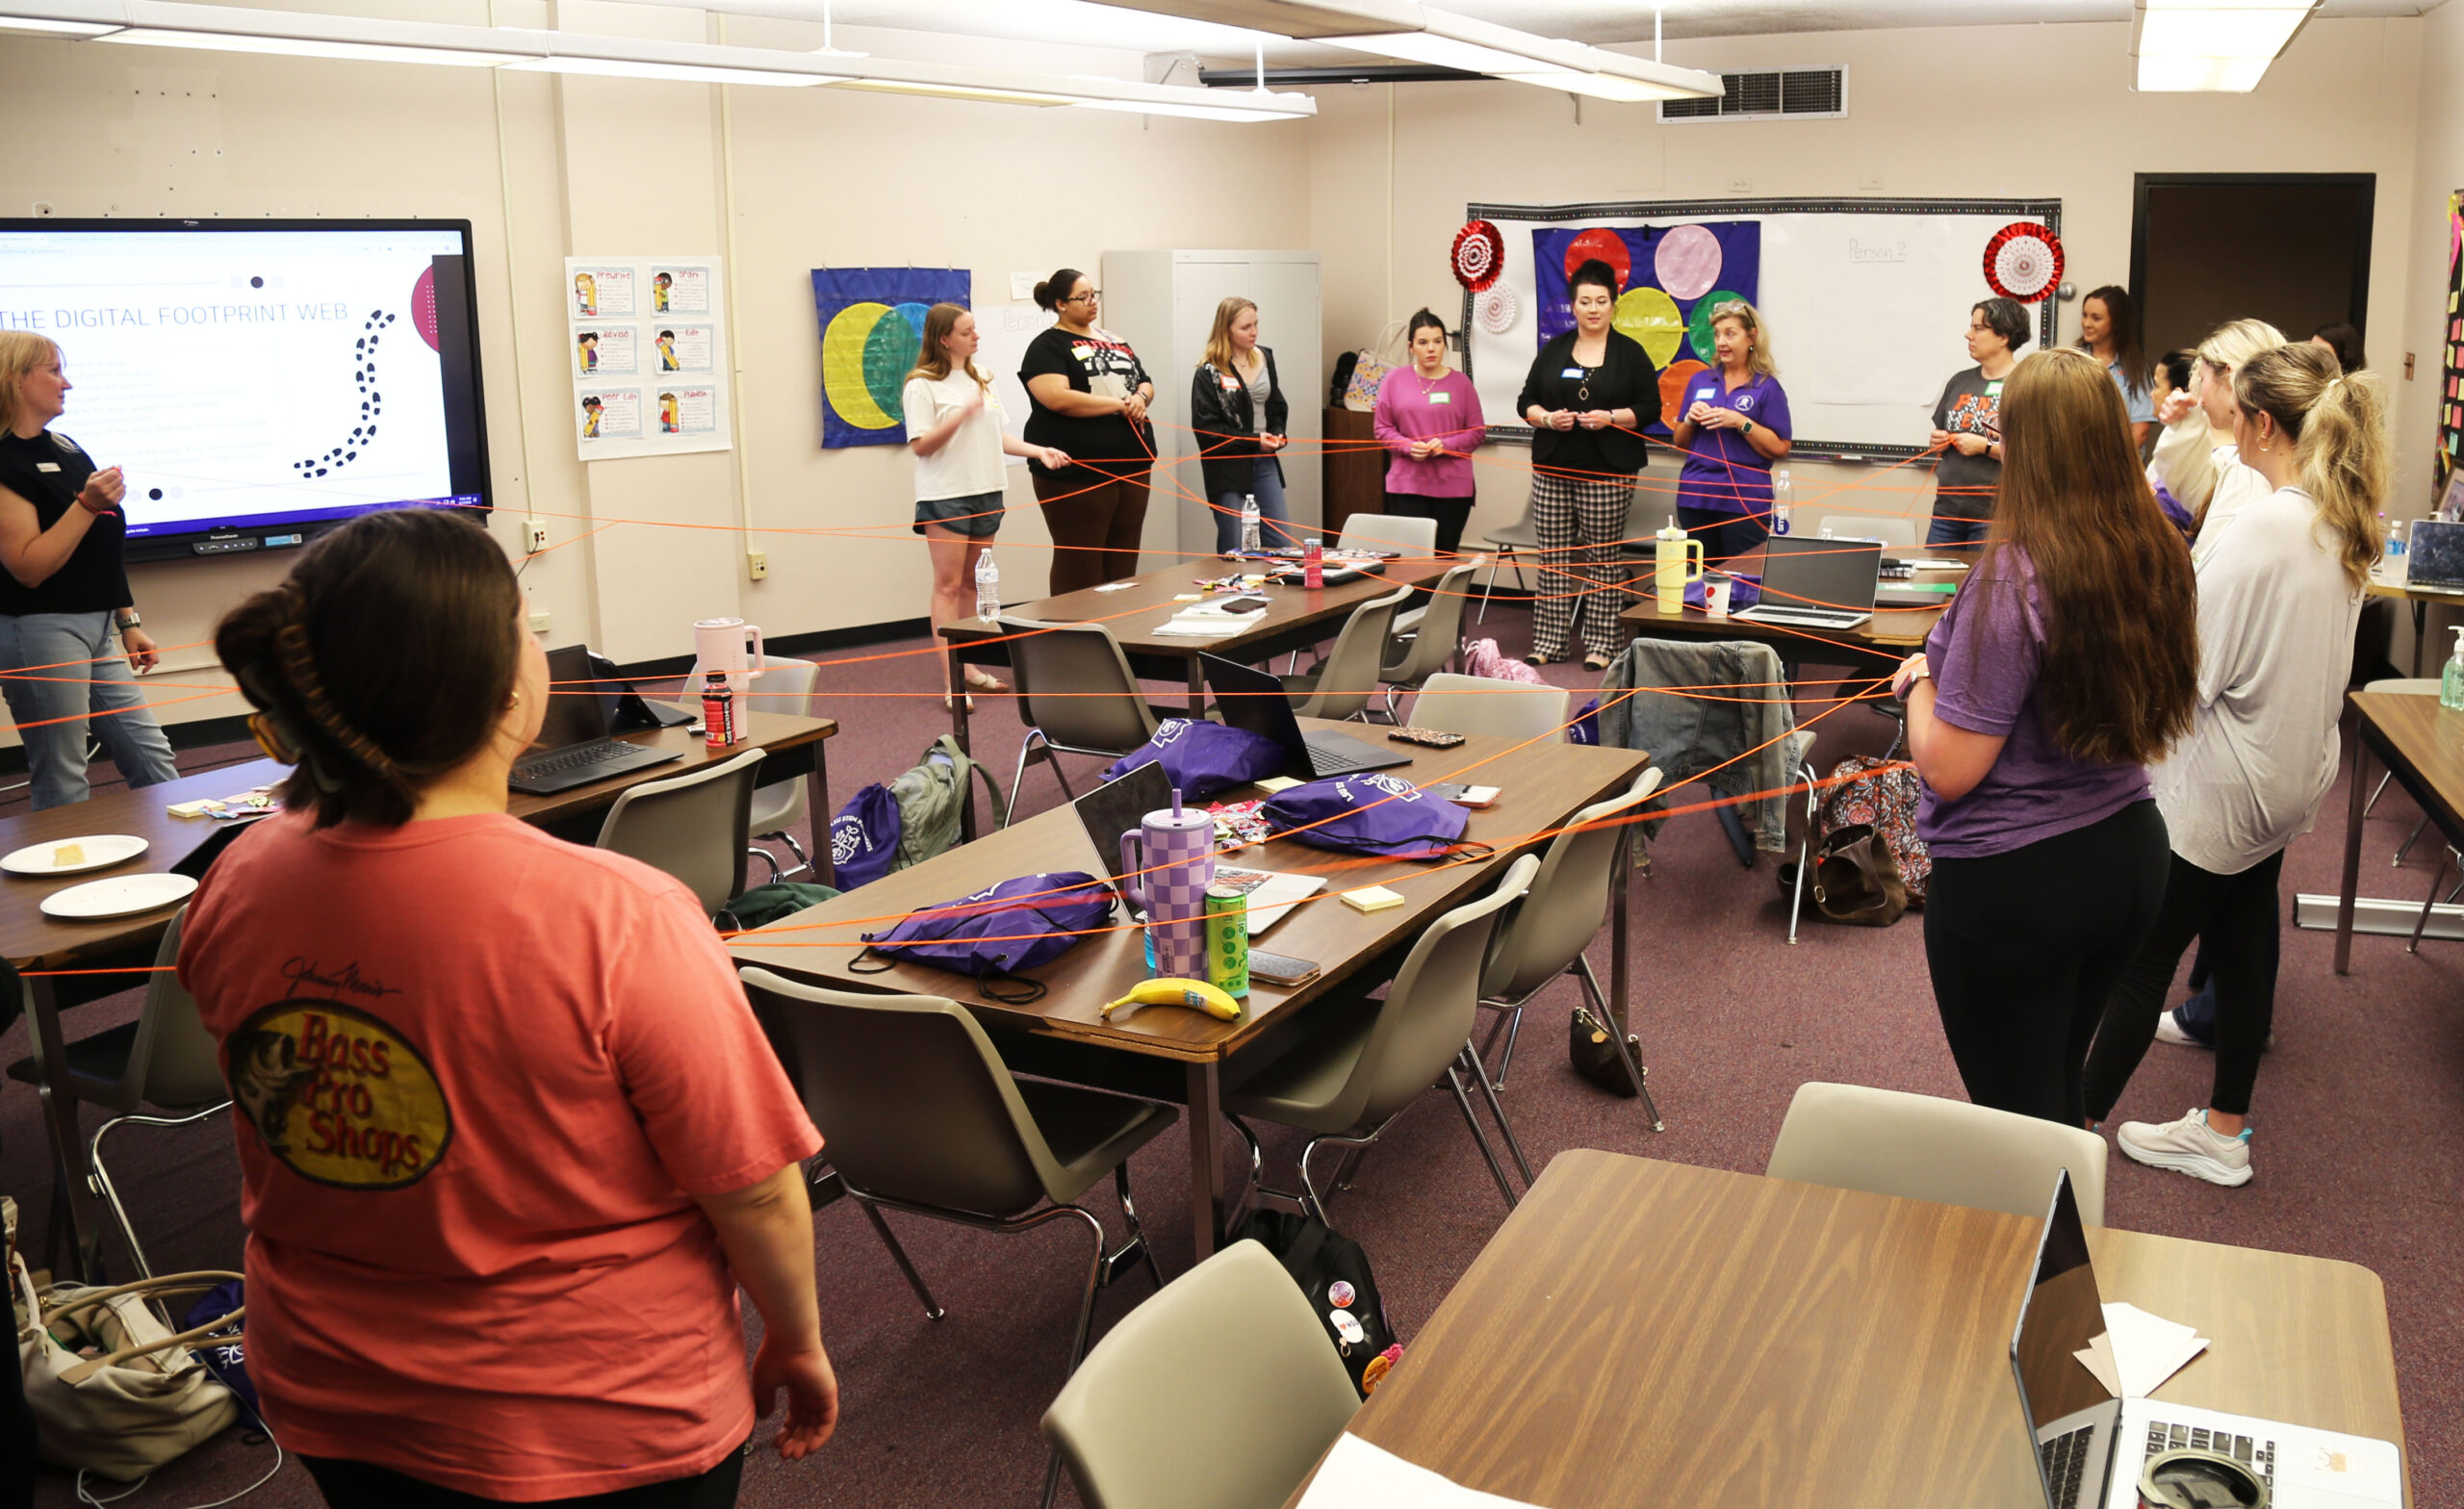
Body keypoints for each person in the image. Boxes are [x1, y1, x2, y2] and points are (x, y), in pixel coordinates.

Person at [182, 508, 838, 1505]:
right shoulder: (618, 911)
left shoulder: (239, 876)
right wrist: (796, 1335)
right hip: (597, 1419)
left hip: (332, 1394)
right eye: (525, 623)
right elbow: (748, 1186)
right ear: (499, 688)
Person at [2082, 343, 2387, 1186]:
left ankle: (2067, 1136)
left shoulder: (2266, 523)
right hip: (2287, 775)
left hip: (2226, 786)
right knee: (2245, 940)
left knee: (2142, 960)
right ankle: (2224, 1131)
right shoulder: (2340, 515)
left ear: (2260, 424)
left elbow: (2189, 669)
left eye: (2229, 404)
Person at [1890, 347, 2197, 1127]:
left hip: (2021, 882)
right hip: (2129, 856)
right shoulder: (2155, 546)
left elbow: (1950, 767)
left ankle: (2059, 1252)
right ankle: (2065, 1248)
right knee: (2054, 1098)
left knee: (2018, 1128)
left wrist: (1918, 682)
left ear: (2025, 446)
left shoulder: (2012, 576)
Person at [0, 333, 177, 811]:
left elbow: (100, 545)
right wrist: (86, 504)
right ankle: (60, 880)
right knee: (63, 776)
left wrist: (128, 620)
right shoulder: (3, 461)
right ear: (16, 379)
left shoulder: (66, 447)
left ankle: (190, 871)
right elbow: (29, 568)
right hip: (37, 629)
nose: (68, 383)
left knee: (153, 759)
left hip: (96, 626)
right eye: (54, 371)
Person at [905, 302, 1068, 704]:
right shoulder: (921, 385)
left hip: (986, 490)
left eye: (976, 329)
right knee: (946, 585)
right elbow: (921, 445)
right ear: (944, 339)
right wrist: (959, 415)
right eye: (967, 331)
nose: (976, 336)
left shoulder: (983, 379)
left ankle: (969, 666)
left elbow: (998, 436)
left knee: (972, 583)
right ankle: (951, 681)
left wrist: (1038, 451)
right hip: (945, 494)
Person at [1516, 259, 1655, 668]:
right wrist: (1547, 419)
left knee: (1601, 559)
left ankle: (1601, 645)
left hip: (1608, 471)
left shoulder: (1631, 354)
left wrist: (1611, 417)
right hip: (1553, 468)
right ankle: (1549, 643)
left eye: (1601, 301)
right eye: (1585, 302)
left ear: (1614, 305)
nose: (1593, 309)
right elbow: (1526, 401)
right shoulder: (1554, 349)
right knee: (1553, 557)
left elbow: (1650, 408)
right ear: (1573, 307)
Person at [1019, 269, 1155, 595]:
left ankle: (1119, 636)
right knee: (1081, 562)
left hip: (1133, 464)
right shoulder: (1047, 346)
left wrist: (1139, 398)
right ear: (1061, 304)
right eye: (1083, 297)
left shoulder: (1114, 339)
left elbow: (1145, 381)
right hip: (1077, 470)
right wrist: (1119, 405)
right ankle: (1072, 637)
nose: (1093, 302)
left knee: (1123, 559)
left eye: (1095, 294)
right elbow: (1057, 398)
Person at [2145, 318, 2286, 566]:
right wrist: (2185, 425)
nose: (2198, 391)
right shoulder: (2244, 458)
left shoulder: (2255, 470)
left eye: (2202, 378)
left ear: (2228, 376)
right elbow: (2197, 495)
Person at [1667, 299, 1792, 569]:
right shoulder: (1700, 381)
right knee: (1699, 581)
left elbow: (1781, 447)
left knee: (1742, 579)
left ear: (1752, 337)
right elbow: (1680, 442)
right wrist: (1689, 419)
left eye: (1730, 334)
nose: (1721, 341)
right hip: (1696, 495)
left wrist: (1741, 422)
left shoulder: (1766, 387)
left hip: (1744, 500)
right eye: (1717, 334)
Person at [1372, 309, 1485, 557]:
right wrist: (1406, 446)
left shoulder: (1462, 384)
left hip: (1453, 489)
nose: (1431, 348)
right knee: (1411, 563)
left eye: (1437, 342)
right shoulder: (1394, 380)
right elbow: (1382, 429)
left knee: (1443, 560)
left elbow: (1477, 433)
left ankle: (1444, 599)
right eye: (1423, 343)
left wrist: (1445, 445)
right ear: (1411, 347)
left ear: (1445, 345)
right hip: (1407, 486)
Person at [1921, 298, 2031, 549]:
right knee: (1936, 585)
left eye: (1979, 328)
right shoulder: (1960, 382)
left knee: (1984, 587)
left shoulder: (2024, 385)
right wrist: (1938, 442)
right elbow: (1942, 434)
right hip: (1947, 512)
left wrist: (1984, 447)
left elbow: (2032, 455)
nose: (1968, 334)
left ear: (2003, 337)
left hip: (1995, 517)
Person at [1188, 297, 1294, 553]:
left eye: (1256, 324)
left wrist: (1278, 433)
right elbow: (1207, 431)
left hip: (1264, 460)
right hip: (1229, 467)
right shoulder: (1209, 372)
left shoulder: (1265, 357)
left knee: (1280, 541)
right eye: (1245, 327)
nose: (1254, 332)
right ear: (1226, 330)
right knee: (1235, 544)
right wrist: (1253, 439)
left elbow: (1276, 405)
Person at [2077, 284, 2154, 448]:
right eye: (2085, 315)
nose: (2087, 323)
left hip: (2119, 465)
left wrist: (2112, 466)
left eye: (2096, 318)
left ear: (2116, 322)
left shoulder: (2136, 368)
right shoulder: (2071, 361)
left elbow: (2140, 431)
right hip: (2076, 462)